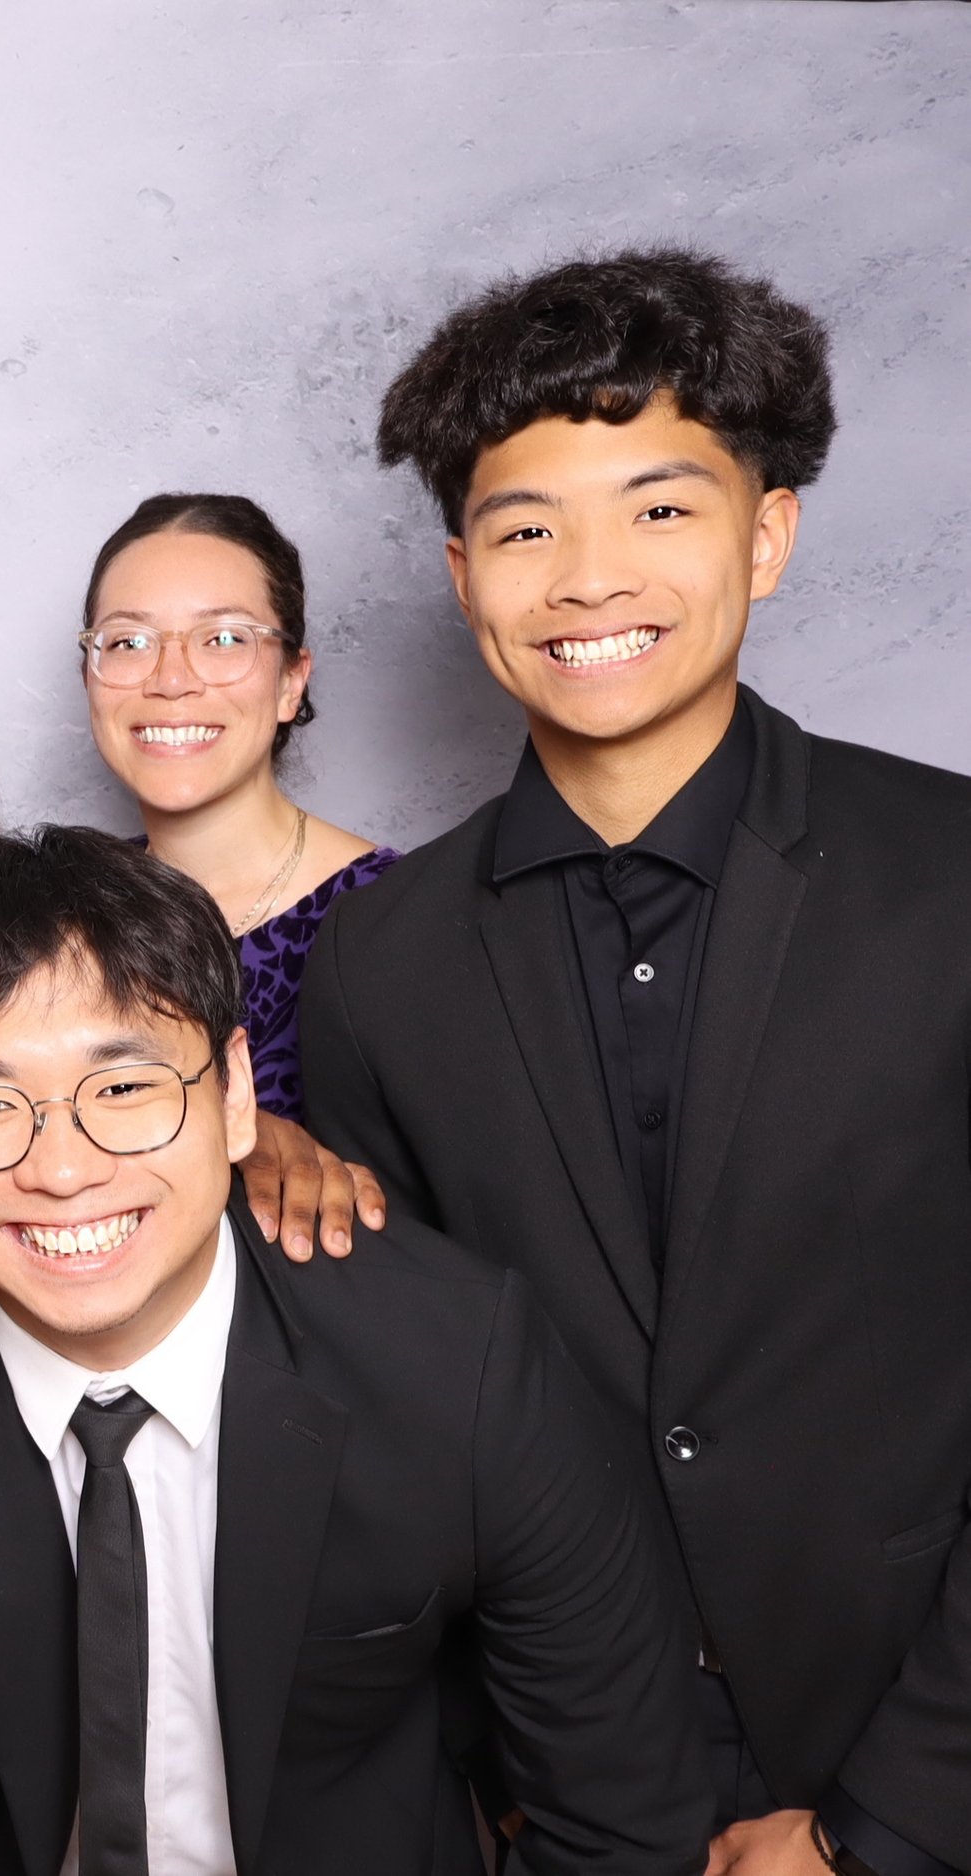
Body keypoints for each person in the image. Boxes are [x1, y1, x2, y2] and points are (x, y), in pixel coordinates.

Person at [301, 249, 971, 1876]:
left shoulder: (952, 878)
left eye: (660, 509)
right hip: (579, 1803)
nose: (589, 577)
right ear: (463, 575)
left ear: (769, 531)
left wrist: (889, 1826)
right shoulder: (381, 965)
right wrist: (539, 1789)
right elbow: (404, 1426)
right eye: (528, 528)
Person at [0, 825, 712, 1875]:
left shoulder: (459, 1362)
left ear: (236, 1094)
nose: (61, 1170)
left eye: (123, 1089)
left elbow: (621, 1824)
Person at [80, 494, 397, 1120]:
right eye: (128, 642)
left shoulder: (400, 916)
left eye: (223, 638)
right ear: (87, 678)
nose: (170, 679)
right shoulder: (64, 910)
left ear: (290, 682)